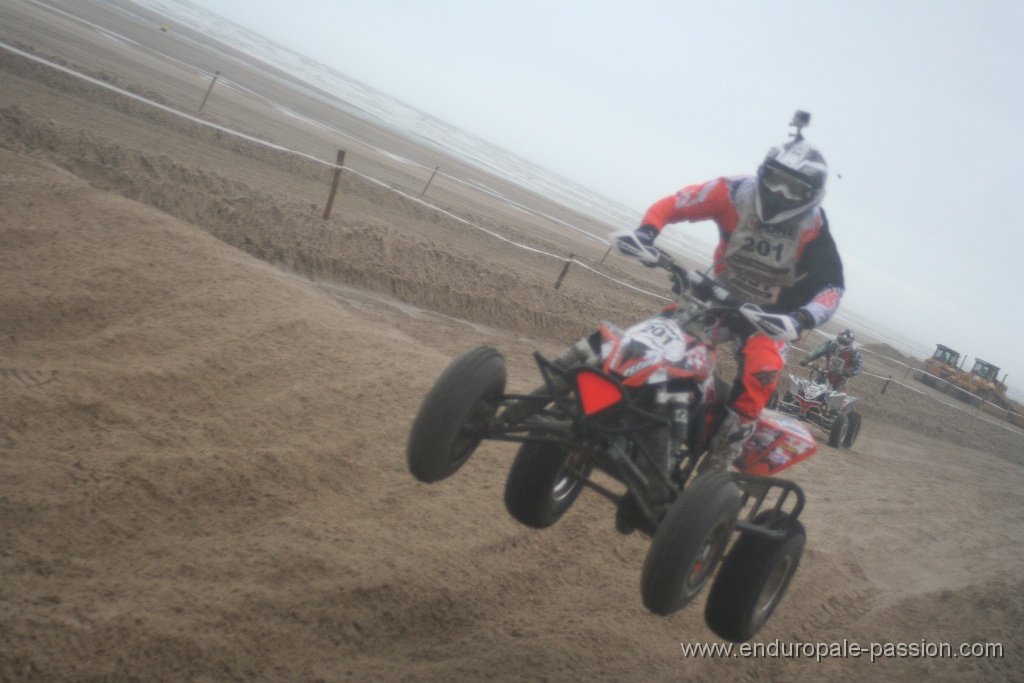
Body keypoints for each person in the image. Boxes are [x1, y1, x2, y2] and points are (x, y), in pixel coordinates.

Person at [616, 113, 845, 473]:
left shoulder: (813, 226)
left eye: (794, 189)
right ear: (763, 171)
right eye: (776, 180)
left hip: (767, 319)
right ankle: (631, 407)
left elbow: (832, 287)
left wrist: (798, 318)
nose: (781, 193)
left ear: (812, 195)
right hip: (714, 298)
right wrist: (646, 233)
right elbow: (677, 203)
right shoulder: (735, 192)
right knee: (653, 338)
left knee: (761, 374)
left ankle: (716, 467)